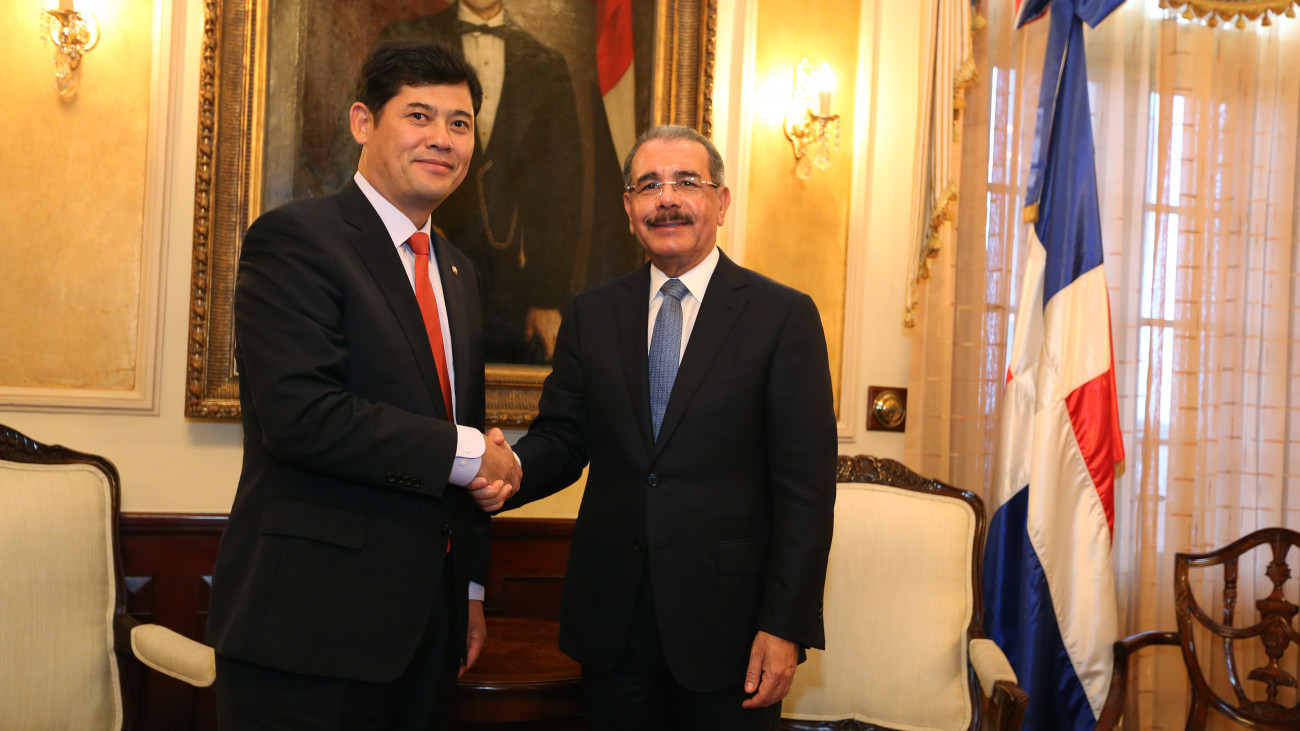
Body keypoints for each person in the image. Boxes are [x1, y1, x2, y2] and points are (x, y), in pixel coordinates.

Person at [208, 41, 520, 730]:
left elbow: (458, 427)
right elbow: (303, 418)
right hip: (309, 630)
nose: (442, 139)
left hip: (430, 630)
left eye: (460, 123)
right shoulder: (296, 239)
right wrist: (473, 453)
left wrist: (469, 589)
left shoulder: (461, 273)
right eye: (419, 115)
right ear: (362, 122)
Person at [502, 125, 838, 730]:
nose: (667, 199)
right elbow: (563, 438)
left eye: (687, 182)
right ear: (628, 207)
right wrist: (503, 469)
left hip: (732, 631)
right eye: (648, 185)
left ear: (721, 201)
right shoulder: (592, 313)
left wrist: (784, 625)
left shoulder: (782, 316)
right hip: (613, 625)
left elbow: (806, 491)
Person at [370, 0, 640, 364]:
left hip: (511, 286)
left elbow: (561, 189)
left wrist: (546, 296)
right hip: (415, 266)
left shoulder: (546, 62)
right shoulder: (405, 39)